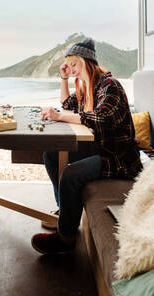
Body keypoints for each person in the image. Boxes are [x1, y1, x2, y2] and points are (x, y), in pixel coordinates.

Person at [31, 38, 142, 255]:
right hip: (101, 147)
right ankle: (65, 212)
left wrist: (60, 117)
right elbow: (67, 104)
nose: (71, 70)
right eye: (69, 66)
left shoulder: (110, 85)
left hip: (117, 157)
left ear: (87, 62)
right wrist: (63, 79)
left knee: (71, 175)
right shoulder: (88, 86)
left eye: (74, 64)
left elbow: (102, 119)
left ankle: (65, 239)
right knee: (52, 155)